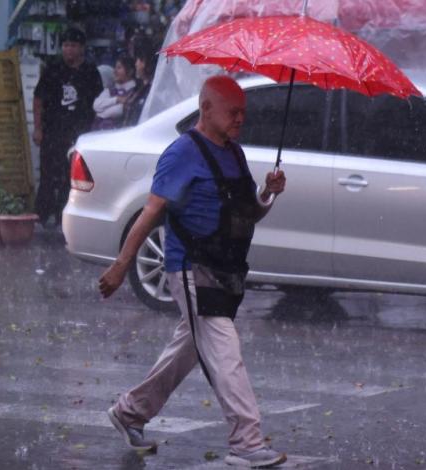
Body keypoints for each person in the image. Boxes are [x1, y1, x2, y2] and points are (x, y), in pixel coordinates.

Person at [98, 76, 288, 468]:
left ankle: (129, 412)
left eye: (243, 113)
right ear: (206, 109)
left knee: (187, 349)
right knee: (224, 349)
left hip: (225, 268)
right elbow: (151, 211)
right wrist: (121, 265)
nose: (240, 119)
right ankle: (247, 441)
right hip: (190, 267)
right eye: (233, 112)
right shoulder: (183, 153)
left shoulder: (233, 153)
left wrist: (268, 192)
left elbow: (248, 212)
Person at [32, 27, 103, 227]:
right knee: (47, 173)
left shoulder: (90, 72)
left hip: (79, 133)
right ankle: (42, 214)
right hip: (53, 130)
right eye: (65, 45)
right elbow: (38, 99)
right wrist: (38, 128)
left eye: (72, 46)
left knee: (70, 176)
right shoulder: (52, 69)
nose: (68, 50)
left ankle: (65, 216)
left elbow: (99, 103)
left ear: (81, 48)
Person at [92, 55, 136, 130]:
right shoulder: (110, 90)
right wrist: (117, 99)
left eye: (119, 68)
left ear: (130, 71)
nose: (115, 71)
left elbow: (119, 110)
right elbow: (96, 105)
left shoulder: (134, 91)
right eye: (115, 67)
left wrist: (100, 114)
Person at [121, 50, 155, 127]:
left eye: (139, 60)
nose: (136, 64)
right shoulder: (138, 88)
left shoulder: (153, 90)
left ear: (145, 64)